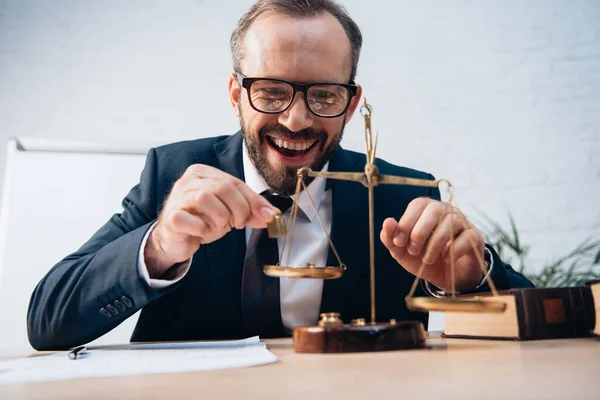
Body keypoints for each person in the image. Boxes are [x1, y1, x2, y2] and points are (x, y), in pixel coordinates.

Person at [27, 0, 533, 350]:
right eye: (270, 92)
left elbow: (544, 317)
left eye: (324, 95)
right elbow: (46, 321)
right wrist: (158, 245)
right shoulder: (172, 176)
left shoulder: (401, 198)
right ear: (235, 94)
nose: (296, 120)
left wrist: (470, 278)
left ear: (352, 103)